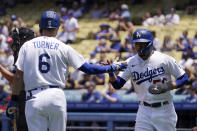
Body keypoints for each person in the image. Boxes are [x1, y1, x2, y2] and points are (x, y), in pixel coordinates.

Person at [8, 10, 127, 131]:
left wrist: (14, 99)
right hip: (56, 96)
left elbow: (18, 77)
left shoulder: (27, 46)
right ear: (58, 28)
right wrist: (111, 67)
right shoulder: (63, 47)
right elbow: (88, 69)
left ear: (40, 26)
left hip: (34, 97)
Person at [108, 29, 189, 131]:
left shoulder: (164, 59)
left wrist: (167, 86)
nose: (138, 47)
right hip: (144, 110)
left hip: (164, 109)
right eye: (136, 44)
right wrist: (111, 73)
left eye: (141, 44)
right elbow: (117, 85)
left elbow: (184, 78)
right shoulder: (130, 62)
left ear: (149, 44)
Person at [4, 27, 35, 131]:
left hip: (29, 98)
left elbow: (16, 79)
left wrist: (14, 99)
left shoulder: (26, 53)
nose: (15, 44)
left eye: (19, 40)